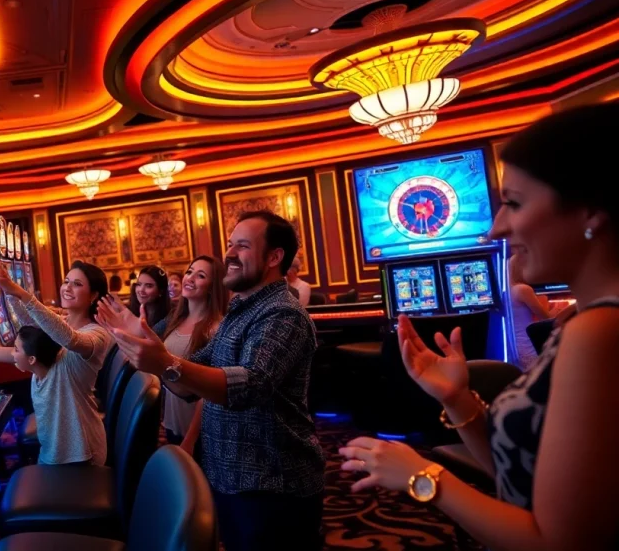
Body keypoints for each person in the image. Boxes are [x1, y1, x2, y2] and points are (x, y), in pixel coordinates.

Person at [338, 102, 619, 551]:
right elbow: (523, 476)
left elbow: (560, 541)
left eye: (513, 203)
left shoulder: (601, 331)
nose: (495, 228)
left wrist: (423, 476)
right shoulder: (582, 321)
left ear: (590, 210)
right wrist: (457, 398)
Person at [105, 210, 324, 551]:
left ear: (274, 257)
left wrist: (165, 361)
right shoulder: (242, 311)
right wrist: (157, 356)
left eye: (243, 246)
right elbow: (189, 381)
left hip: (271, 482)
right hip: (229, 475)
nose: (230, 254)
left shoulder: (282, 312)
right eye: (230, 244)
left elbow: (250, 385)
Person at [0, 257, 113, 465]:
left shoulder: (97, 335)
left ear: (93, 295)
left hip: (81, 451)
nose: (67, 288)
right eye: (66, 281)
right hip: (55, 450)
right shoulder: (59, 325)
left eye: (77, 284)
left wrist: (20, 292)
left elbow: (70, 339)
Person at [101, 256, 226, 455]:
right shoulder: (175, 318)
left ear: (213, 286)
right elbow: (156, 356)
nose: (190, 278)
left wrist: (191, 438)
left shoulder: (216, 329)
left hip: (197, 431)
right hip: (171, 422)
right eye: (189, 271)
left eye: (200, 275)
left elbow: (208, 394)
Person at [507, 254, 552, 370]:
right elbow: (545, 318)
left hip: (513, 346)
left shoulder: (507, 290)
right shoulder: (522, 289)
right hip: (528, 345)